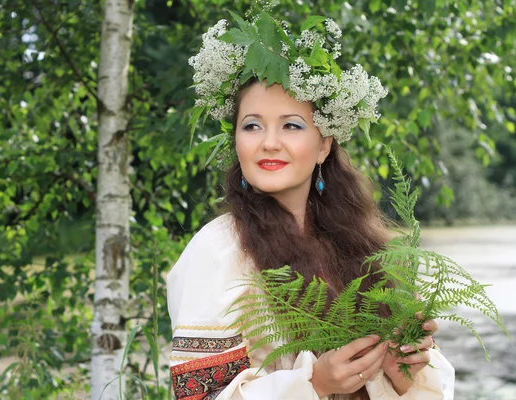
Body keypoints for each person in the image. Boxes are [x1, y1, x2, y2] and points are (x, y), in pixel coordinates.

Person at [168, 11, 455, 400]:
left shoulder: (365, 246)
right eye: (252, 125)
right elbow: (197, 396)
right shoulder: (218, 252)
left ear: (324, 145)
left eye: (291, 125)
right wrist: (313, 385)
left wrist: (400, 371)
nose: (269, 142)